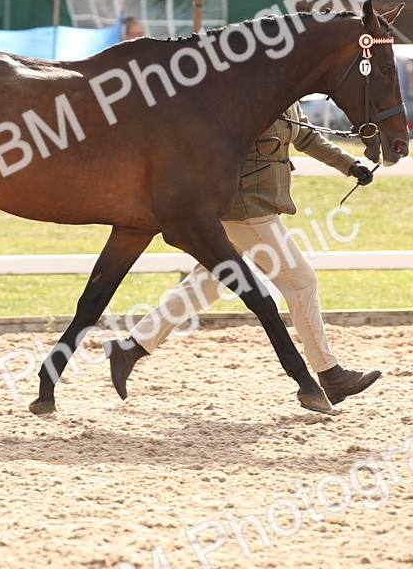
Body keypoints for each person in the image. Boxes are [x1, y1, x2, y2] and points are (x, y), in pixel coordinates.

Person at [105, 101, 381, 408]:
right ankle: (331, 375)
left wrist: (348, 164)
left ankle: (131, 348)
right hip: (246, 208)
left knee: (204, 285)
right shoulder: (248, 91)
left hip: (254, 206)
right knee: (301, 282)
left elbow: (304, 136)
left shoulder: (287, 94)